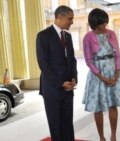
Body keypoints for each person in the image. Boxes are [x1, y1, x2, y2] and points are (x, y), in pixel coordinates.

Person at [82, 8, 120, 141]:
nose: (105, 26)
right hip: (97, 76)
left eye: (106, 23)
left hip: (112, 72)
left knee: (112, 105)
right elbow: (88, 61)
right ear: (94, 23)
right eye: (102, 23)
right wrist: (101, 77)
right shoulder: (87, 37)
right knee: (97, 108)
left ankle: (113, 135)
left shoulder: (112, 34)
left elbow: (118, 55)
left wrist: (116, 73)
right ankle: (101, 137)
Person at [36, 5, 77, 141]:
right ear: (59, 17)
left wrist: (74, 78)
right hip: (52, 89)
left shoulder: (69, 36)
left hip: (68, 89)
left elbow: (72, 60)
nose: (72, 21)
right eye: (70, 19)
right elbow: (44, 65)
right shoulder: (43, 36)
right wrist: (60, 83)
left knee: (68, 126)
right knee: (56, 127)